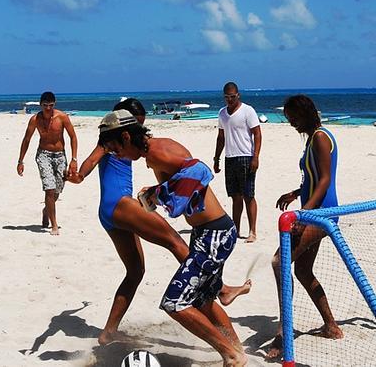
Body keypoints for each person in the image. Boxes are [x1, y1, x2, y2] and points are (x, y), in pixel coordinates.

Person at [68, 100, 250, 347]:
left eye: (116, 150)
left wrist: (161, 193)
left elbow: (200, 172)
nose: (117, 154)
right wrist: (159, 192)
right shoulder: (134, 148)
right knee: (194, 288)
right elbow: (187, 182)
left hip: (213, 231)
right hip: (191, 227)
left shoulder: (157, 151)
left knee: (162, 277)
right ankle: (231, 337)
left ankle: (232, 348)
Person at [265, 94, 344, 360]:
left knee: (279, 262)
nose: (292, 124)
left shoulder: (321, 137)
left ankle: (284, 332)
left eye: (294, 118)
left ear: (307, 114)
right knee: (302, 270)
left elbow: (324, 181)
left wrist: (302, 215)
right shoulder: (312, 138)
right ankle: (331, 326)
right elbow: (312, 179)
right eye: (289, 119)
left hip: (323, 214)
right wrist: (296, 192)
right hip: (314, 209)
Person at [17, 91, 78, 235]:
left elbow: (73, 137)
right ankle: (54, 224)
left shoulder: (62, 117)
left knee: (57, 190)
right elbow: (26, 140)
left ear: (54, 104)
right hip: (43, 155)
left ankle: (46, 210)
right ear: (40, 105)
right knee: (49, 189)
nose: (48, 109)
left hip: (60, 156)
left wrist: (74, 159)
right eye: (45, 106)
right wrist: (20, 161)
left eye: (51, 105)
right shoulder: (35, 120)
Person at [214, 82, 262, 243]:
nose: (229, 100)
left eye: (232, 97)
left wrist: (255, 157)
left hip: (246, 157)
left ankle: (252, 231)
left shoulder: (248, 111)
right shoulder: (222, 113)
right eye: (226, 97)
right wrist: (216, 158)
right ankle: (235, 229)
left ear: (238, 95)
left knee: (249, 195)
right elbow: (221, 137)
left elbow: (257, 134)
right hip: (230, 158)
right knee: (235, 196)